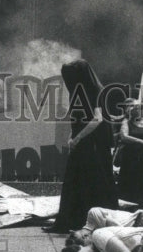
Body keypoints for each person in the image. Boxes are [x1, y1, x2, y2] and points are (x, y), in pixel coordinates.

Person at [47, 60, 120, 233]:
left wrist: (77, 137)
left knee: (83, 182)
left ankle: (76, 220)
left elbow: (97, 119)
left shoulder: (94, 91)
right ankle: (73, 220)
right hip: (86, 143)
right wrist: (72, 135)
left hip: (91, 145)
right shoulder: (87, 90)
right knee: (79, 182)